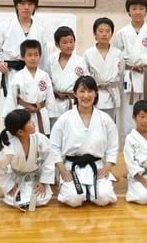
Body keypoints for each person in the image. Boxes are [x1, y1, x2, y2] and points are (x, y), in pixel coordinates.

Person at [0, 0, 50, 128]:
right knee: (9, 111)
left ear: (35, 7)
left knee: (32, 114)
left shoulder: (40, 31)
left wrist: (43, 78)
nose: (26, 7)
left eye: (30, 4)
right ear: (16, 5)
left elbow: (44, 57)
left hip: (33, 76)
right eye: (22, 3)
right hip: (11, 74)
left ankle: (32, 147)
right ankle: (8, 146)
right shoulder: (3, 27)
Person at [50, 76, 118, 207]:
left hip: (96, 167)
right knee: (74, 199)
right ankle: (84, 192)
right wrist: (62, 170)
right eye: (82, 91)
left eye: (90, 91)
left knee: (103, 198)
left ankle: (90, 192)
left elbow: (113, 146)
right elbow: (54, 146)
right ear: (75, 93)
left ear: (96, 93)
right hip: (72, 167)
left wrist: (107, 167)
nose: (86, 96)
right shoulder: (65, 119)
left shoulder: (105, 119)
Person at [114, 0, 147, 138]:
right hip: (129, 77)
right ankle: (128, 146)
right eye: (134, 8)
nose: (137, 12)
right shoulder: (122, 33)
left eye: (141, 8)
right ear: (128, 11)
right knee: (127, 113)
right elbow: (118, 60)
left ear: (146, 10)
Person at [0, 109, 54, 211]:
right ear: (20, 132)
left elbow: (49, 159)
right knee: (17, 200)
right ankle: (20, 196)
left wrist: (43, 182)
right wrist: (10, 186)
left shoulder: (40, 139)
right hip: (17, 179)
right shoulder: (10, 146)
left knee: (41, 199)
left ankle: (31, 194)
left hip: (35, 177)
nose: (33, 123)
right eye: (29, 122)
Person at [3, 39, 55, 135]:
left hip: (41, 113)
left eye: (36, 55)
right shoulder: (17, 77)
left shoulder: (44, 76)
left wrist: (52, 114)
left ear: (40, 56)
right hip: (23, 114)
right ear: (23, 57)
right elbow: (11, 98)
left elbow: (50, 97)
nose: (33, 58)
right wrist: (9, 116)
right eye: (29, 55)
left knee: (42, 142)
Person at [83, 17, 124, 122]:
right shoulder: (88, 54)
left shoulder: (118, 54)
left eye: (107, 31)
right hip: (95, 95)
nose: (104, 34)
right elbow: (85, 77)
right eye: (101, 31)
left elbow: (122, 76)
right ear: (95, 33)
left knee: (110, 125)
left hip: (112, 94)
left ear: (112, 33)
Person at [47, 26, 88, 127]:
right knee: (56, 131)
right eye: (64, 42)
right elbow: (47, 82)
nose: (69, 45)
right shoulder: (50, 61)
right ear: (57, 44)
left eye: (71, 41)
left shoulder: (80, 61)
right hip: (55, 102)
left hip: (73, 102)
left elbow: (85, 83)